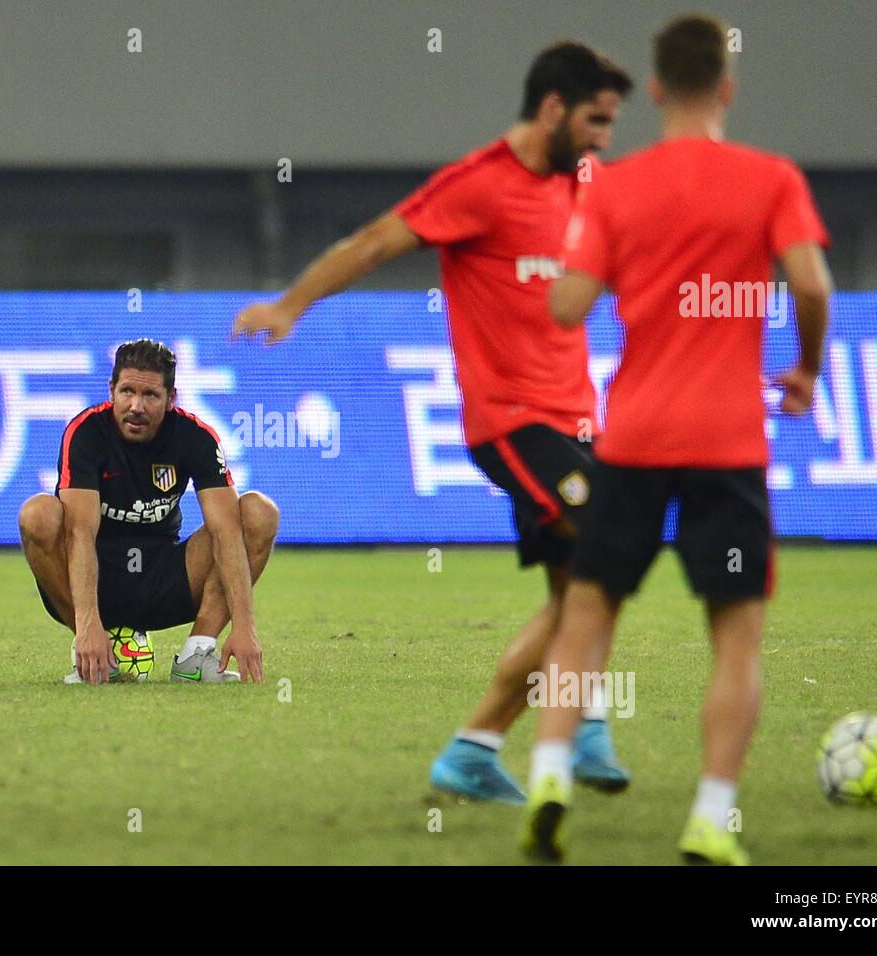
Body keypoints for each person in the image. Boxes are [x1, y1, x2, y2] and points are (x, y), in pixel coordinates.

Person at [233, 42, 633, 802]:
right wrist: (291, 305)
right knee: (603, 556)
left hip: (580, 416)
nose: (603, 139)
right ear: (551, 108)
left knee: (576, 593)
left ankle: (473, 750)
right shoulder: (479, 185)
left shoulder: (586, 180)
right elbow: (376, 242)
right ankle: (583, 720)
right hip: (512, 422)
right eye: (595, 121)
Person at [522, 14, 832, 865]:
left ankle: (549, 771)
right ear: (726, 87)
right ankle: (710, 816)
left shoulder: (617, 187)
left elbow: (568, 305)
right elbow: (810, 282)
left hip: (634, 441)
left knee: (587, 611)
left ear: (654, 90)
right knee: (734, 634)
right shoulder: (770, 180)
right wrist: (803, 367)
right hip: (728, 448)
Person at [19, 339, 277, 685]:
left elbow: (227, 531)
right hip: (96, 578)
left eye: (150, 396)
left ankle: (197, 654)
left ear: (171, 398)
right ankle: (93, 650)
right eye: (126, 391)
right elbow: (78, 533)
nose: (136, 406)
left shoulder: (194, 437)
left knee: (258, 513)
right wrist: (87, 624)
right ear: (111, 390)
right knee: (38, 513)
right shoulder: (87, 433)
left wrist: (245, 627)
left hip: (166, 574)